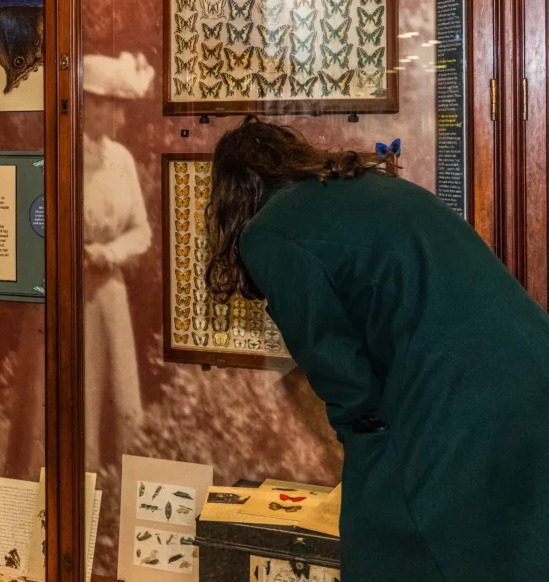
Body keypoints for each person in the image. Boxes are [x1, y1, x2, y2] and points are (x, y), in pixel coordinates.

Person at [206, 116, 549, 581]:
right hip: (527, 368)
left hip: (456, 397)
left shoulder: (268, 229)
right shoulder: (368, 186)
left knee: (388, 544)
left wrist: (368, 452)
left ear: (234, 193)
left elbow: (344, 380)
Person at [81, 52, 154, 470]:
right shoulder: (59, 157)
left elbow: (141, 232)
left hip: (110, 292)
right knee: (79, 397)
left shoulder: (123, 160)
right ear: (91, 105)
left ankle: (116, 503)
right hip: (67, 294)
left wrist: (108, 254)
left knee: (118, 393)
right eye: (113, 106)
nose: (119, 118)